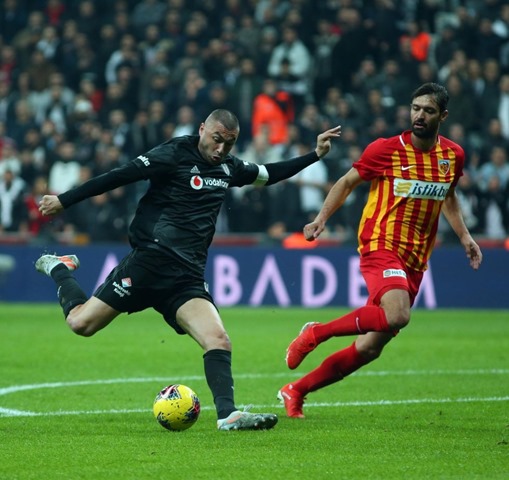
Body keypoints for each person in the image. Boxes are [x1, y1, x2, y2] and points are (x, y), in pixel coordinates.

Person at [34, 109, 341, 431]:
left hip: (187, 276)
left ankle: (228, 415)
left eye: (229, 143)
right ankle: (59, 268)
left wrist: (315, 155)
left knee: (218, 339)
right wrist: (64, 200)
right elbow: (119, 176)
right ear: (202, 129)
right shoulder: (173, 154)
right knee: (81, 324)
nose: (221, 149)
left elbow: (268, 174)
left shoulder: (228, 167)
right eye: (216, 139)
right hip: (149, 263)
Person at [277, 83, 483, 418]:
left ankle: (296, 390)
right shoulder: (386, 150)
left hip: (416, 258)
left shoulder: (453, 155)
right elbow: (347, 182)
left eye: (428, 110)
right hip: (381, 244)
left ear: (443, 116)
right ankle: (316, 332)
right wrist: (321, 218)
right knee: (398, 315)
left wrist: (465, 237)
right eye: (415, 108)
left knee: (371, 347)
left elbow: (448, 195)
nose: (419, 115)